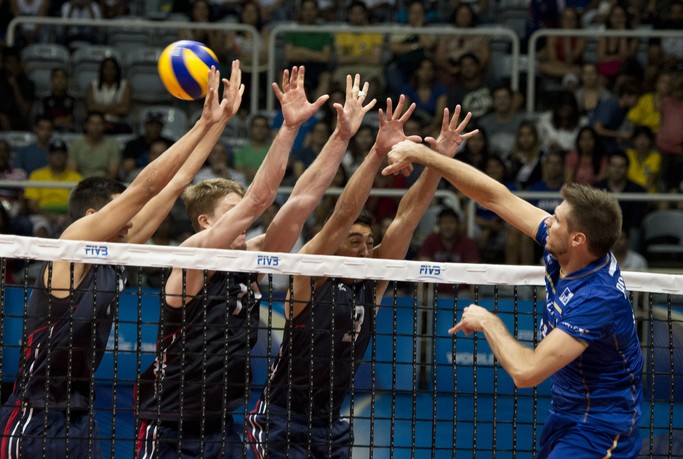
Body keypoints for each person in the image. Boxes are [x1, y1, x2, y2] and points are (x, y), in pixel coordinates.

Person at [0, 63, 245, 459]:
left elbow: (176, 183)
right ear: (92, 215)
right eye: (120, 212)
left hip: (79, 413)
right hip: (36, 412)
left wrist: (220, 122)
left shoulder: (115, 253)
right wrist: (199, 124)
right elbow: (145, 186)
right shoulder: (74, 244)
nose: (131, 219)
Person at [135, 70, 372, 458]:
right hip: (170, 425)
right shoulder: (192, 257)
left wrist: (340, 137)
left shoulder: (250, 260)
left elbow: (300, 202)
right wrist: (288, 130)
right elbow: (259, 201)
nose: (245, 218)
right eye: (233, 210)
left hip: (223, 424)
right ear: (207, 223)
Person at [383, 141, 644, 459]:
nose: (548, 221)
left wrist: (489, 321)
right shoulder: (568, 251)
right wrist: (428, 157)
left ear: (578, 239)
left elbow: (527, 371)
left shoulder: (596, 299)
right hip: (566, 414)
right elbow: (495, 197)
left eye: (558, 220)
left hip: (601, 430)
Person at [247, 100, 478, 458]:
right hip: (281, 420)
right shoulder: (310, 275)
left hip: (330, 423)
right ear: (334, 246)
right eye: (355, 242)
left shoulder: (370, 285)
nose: (366, 251)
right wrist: (378, 151)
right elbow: (342, 215)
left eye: (370, 243)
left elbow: (406, 219)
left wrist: (439, 162)